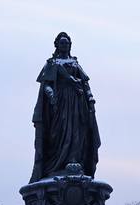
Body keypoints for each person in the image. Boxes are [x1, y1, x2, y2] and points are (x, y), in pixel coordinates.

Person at [31, 32, 101, 182]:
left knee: (77, 131)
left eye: (67, 43)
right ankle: (56, 165)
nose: (65, 46)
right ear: (57, 45)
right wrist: (51, 96)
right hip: (59, 103)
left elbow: (85, 83)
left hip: (77, 102)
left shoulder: (75, 63)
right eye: (62, 43)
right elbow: (46, 85)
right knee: (59, 131)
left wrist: (90, 97)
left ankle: (75, 159)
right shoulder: (52, 63)